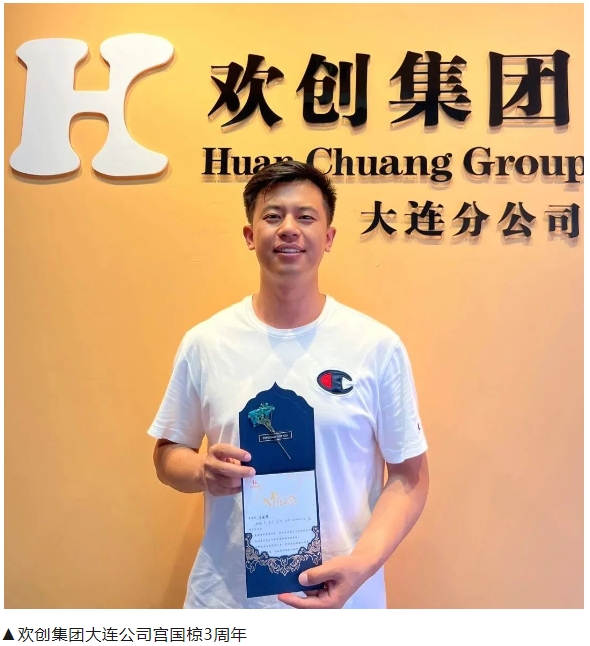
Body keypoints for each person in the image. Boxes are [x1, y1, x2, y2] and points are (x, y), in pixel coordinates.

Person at [148, 161, 429, 609]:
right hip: (227, 605)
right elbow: (167, 456)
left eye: (306, 216)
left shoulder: (376, 346)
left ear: (329, 237)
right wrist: (202, 470)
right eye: (273, 216)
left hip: (343, 605)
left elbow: (409, 477)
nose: (289, 229)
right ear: (250, 235)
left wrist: (363, 564)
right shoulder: (206, 343)